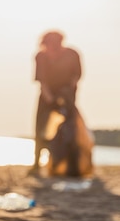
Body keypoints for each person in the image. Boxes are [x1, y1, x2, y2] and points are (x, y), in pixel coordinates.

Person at [31, 30, 82, 175]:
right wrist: (51, 99)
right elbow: (42, 80)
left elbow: (76, 76)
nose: (52, 48)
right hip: (47, 96)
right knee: (41, 128)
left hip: (67, 95)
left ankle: (71, 165)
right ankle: (37, 163)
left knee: (70, 129)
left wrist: (66, 95)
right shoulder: (40, 56)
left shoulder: (72, 54)